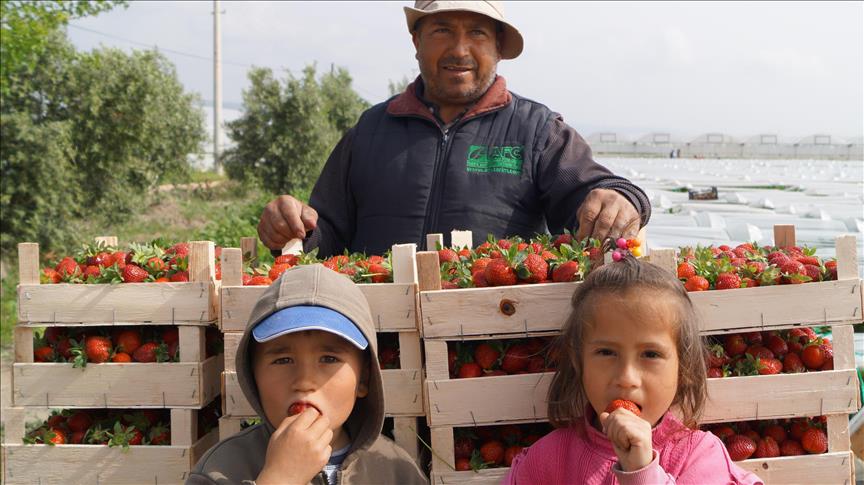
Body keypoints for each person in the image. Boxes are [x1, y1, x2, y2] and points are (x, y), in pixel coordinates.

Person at [257, 0, 651, 258]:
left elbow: (592, 193)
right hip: (379, 346)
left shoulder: (537, 132)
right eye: (442, 30)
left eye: (477, 33)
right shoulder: (370, 131)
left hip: (499, 349)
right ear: (416, 41)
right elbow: (326, 231)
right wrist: (292, 226)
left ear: (498, 47)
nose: (460, 50)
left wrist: (621, 199)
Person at [503, 257, 763, 484]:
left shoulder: (699, 457)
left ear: (682, 368)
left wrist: (642, 473)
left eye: (650, 354)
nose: (627, 378)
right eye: (606, 352)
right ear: (577, 360)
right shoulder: (547, 460)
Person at [187, 264, 428, 485]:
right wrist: (280, 478)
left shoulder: (397, 471)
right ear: (253, 377)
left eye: (329, 359)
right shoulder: (220, 471)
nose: (304, 382)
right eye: (282, 360)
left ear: (364, 379)